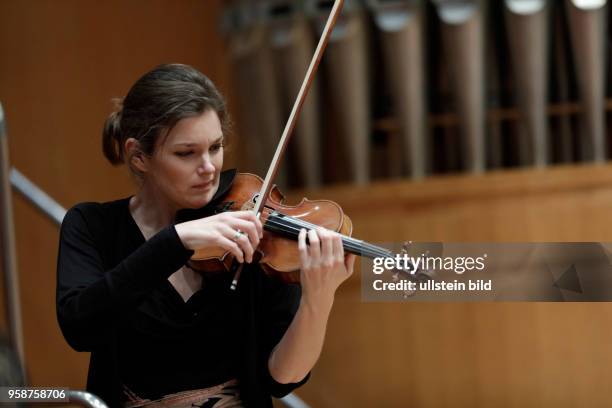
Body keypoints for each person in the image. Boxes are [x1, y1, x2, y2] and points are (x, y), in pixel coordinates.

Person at [56, 63, 356, 408]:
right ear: (138, 156)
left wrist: (317, 302)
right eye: (187, 153)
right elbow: (80, 326)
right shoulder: (93, 226)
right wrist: (175, 241)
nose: (209, 167)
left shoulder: (255, 232)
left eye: (215, 147)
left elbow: (281, 379)